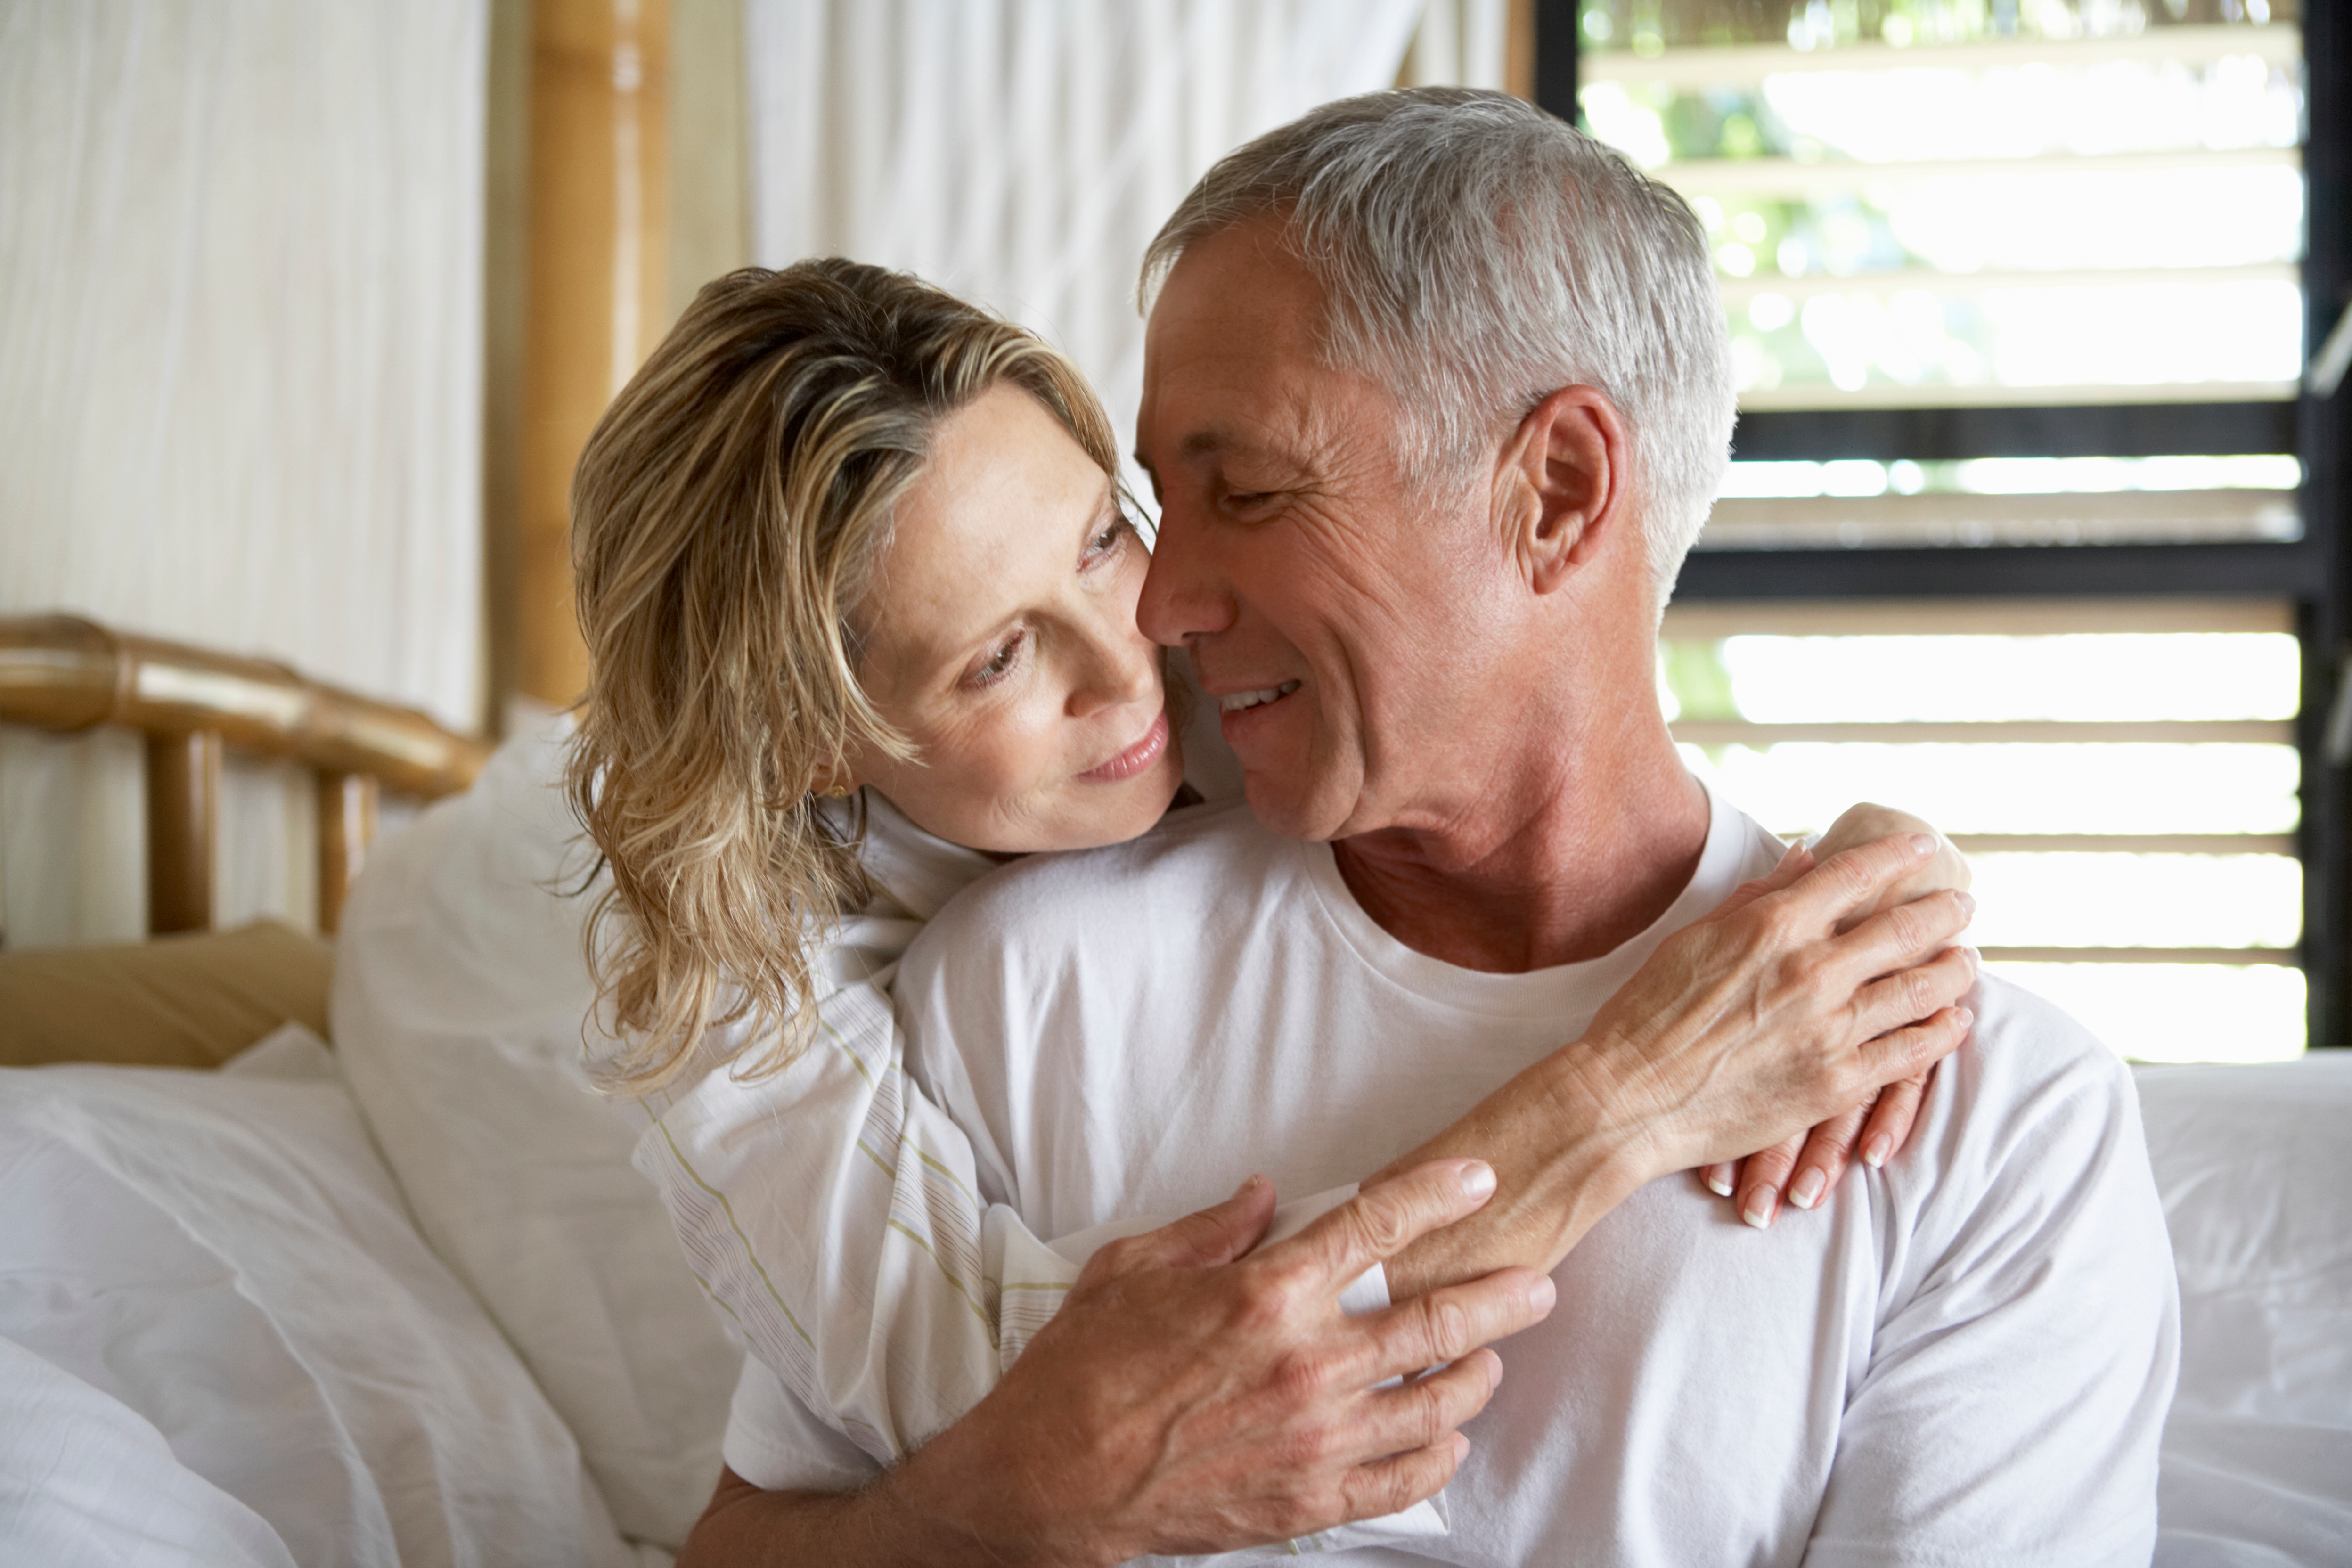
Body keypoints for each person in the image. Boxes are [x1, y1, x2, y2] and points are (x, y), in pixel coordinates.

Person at [692, 90, 2181, 1564]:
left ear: (1559, 492)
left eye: (1251, 492)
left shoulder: (1990, 1120)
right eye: (1162, 502)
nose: (1157, 603)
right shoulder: (1020, 992)